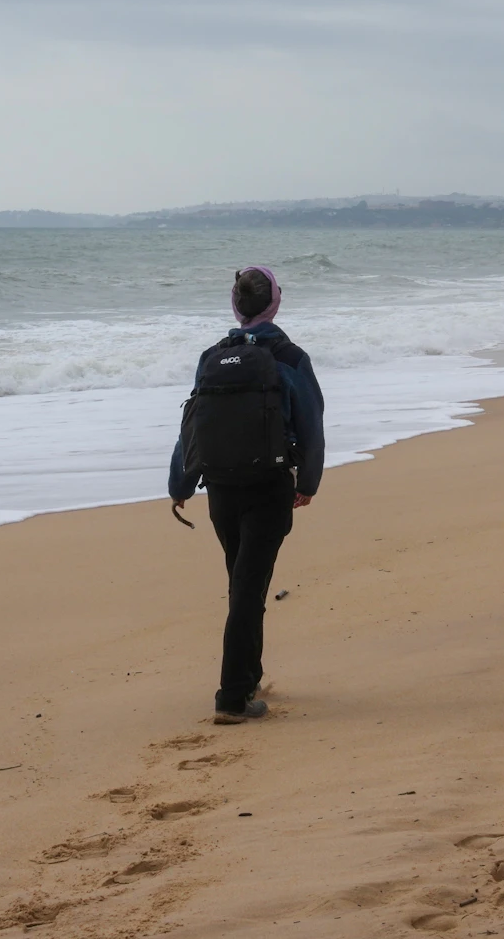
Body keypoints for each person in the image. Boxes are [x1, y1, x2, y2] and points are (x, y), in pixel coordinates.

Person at [169, 266, 325, 725]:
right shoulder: (290, 356)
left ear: (236, 306)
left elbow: (191, 426)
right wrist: (308, 483)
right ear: (275, 302)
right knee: (247, 587)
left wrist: (180, 484)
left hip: (220, 489)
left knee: (244, 582)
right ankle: (233, 697)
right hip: (268, 486)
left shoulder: (212, 356)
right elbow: (311, 429)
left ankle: (249, 675)